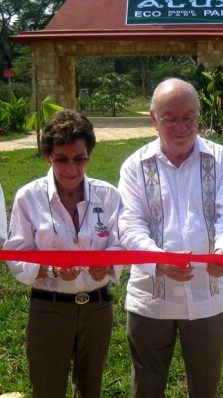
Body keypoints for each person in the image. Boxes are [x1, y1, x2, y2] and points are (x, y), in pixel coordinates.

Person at [118, 78, 223, 398]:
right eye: (170, 117)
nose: (181, 126)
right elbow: (128, 223)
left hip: (208, 293)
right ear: (153, 118)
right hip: (151, 296)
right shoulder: (135, 165)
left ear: (199, 115)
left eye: (188, 117)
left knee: (205, 385)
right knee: (147, 385)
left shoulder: (220, 159)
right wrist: (158, 260)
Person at [3, 110, 123, 397]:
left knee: (91, 388)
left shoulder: (108, 196)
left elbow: (120, 243)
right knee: (48, 387)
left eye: (79, 158)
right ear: (48, 157)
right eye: (61, 159)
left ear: (89, 156)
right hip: (50, 308)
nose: (71, 168)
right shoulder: (29, 197)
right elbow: (17, 253)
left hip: (97, 307)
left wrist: (107, 264)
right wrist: (51, 269)